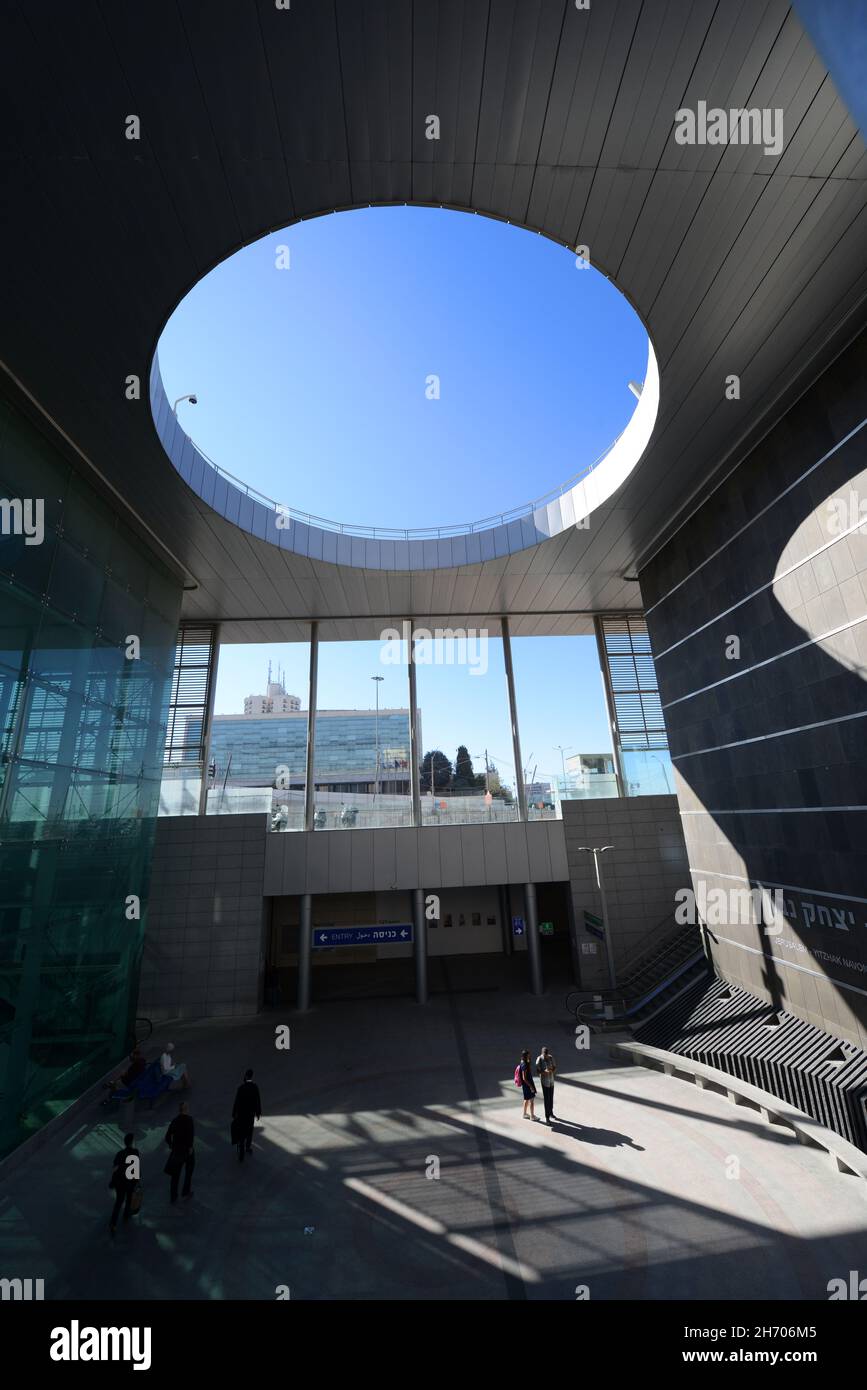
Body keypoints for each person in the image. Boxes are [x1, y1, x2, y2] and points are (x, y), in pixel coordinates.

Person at [109, 1133, 140, 1234]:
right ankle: (126, 1216)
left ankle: (113, 1223)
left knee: (118, 1202)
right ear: (132, 1142)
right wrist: (137, 1181)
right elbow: (135, 1168)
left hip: (119, 1181)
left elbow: (115, 1169)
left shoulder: (119, 1154)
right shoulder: (135, 1153)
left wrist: (113, 1181)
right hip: (129, 1182)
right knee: (129, 1199)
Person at [164, 1100, 195, 1203]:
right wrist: (190, 1147)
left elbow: (167, 1136)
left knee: (175, 1175)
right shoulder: (189, 1120)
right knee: (189, 1171)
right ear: (186, 1109)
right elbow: (190, 1135)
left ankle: (173, 1196)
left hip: (177, 1151)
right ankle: (185, 1191)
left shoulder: (175, 1121)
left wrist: (171, 1145)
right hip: (187, 1150)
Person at [232, 1068, 262, 1163]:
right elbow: (257, 1101)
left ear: (245, 1076)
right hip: (250, 1115)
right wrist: (258, 1113)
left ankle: (241, 1148)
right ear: (252, 1077)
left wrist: (234, 1113)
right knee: (249, 1131)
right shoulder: (254, 1087)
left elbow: (236, 1102)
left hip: (241, 1114)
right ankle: (247, 1147)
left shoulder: (241, 1088)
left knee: (241, 1130)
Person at [535, 1045, 557, 1124]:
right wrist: (544, 1072)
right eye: (545, 1055)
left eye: (547, 1055)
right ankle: (547, 1117)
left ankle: (551, 1112)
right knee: (546, 1099)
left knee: (551, 1097)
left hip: (551, 1080)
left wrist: (552, 1070)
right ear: (542, 1053)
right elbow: (537, 1071)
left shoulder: (551, 1057)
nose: (546, 1057)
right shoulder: (539, 1059)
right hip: (544, 1082)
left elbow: (555, 1067)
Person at [519, 1049, 537, 1120]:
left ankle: (524, 1114)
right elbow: (524, 1077)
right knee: (531, 1100)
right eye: (528, 1055)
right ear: (526, 1056)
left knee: (526, 1099)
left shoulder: (522, 1062)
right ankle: (532, 1116)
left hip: (525, 1085)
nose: (530, 1056)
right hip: (527, 1084)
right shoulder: (524, 1065)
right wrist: (531, 1087)